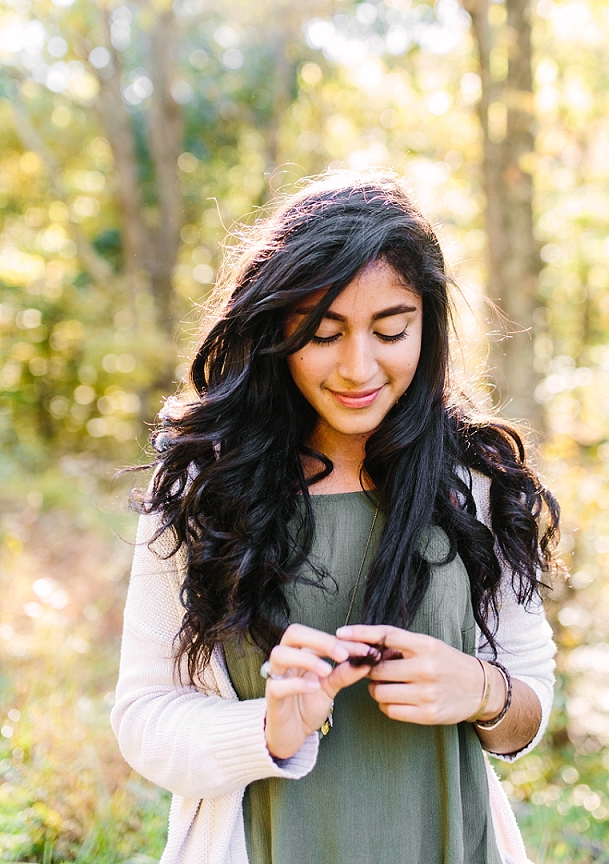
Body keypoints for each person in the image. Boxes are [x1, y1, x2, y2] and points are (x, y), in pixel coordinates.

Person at [112, 173, 559, 864]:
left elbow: (526, 712)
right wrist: (270, 725)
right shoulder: (207, 489)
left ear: (427, 325)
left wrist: (481, 689)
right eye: (323, 333)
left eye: (390, 331)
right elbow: (143, 718)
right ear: (277, 330)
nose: (358, 367)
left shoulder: (475, 481)